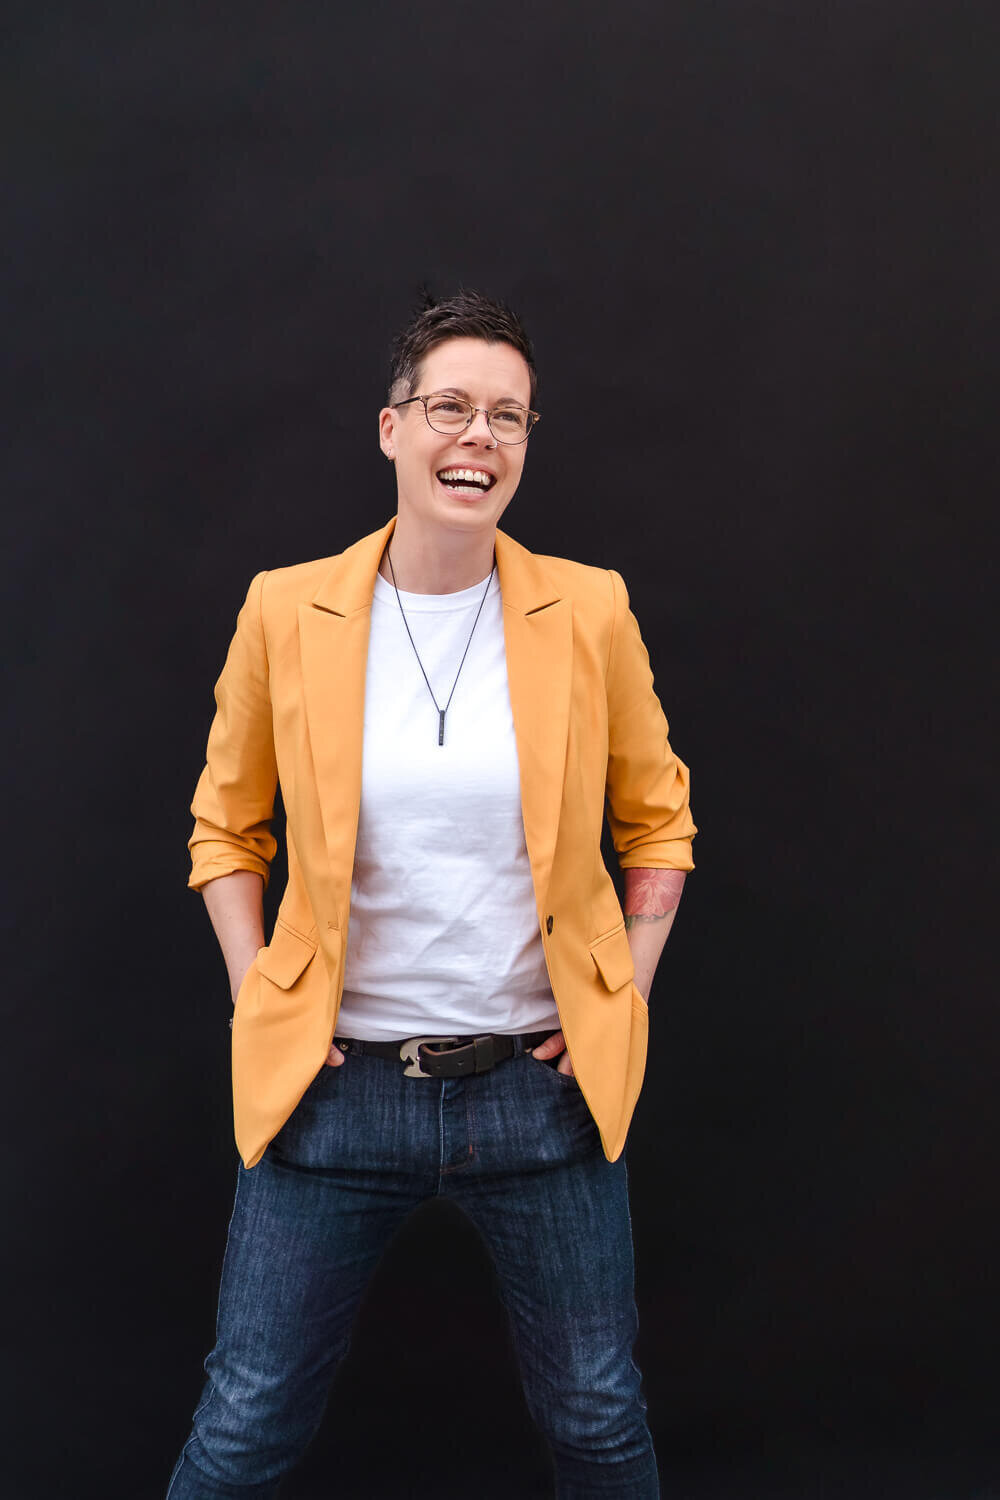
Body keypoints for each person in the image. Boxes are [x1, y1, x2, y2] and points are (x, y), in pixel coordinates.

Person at [166, 289, 697, 1499]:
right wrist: (261, 993)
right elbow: (224, 825)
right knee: (244, 1428)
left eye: (507, 416)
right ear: (392, 429)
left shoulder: (588, 609)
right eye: (450, 406)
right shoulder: (284, 609)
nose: (480, 437)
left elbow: (658, 820)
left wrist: (626, 985)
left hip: (539, 1096)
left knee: (599, 1418)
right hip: (332, 1088)